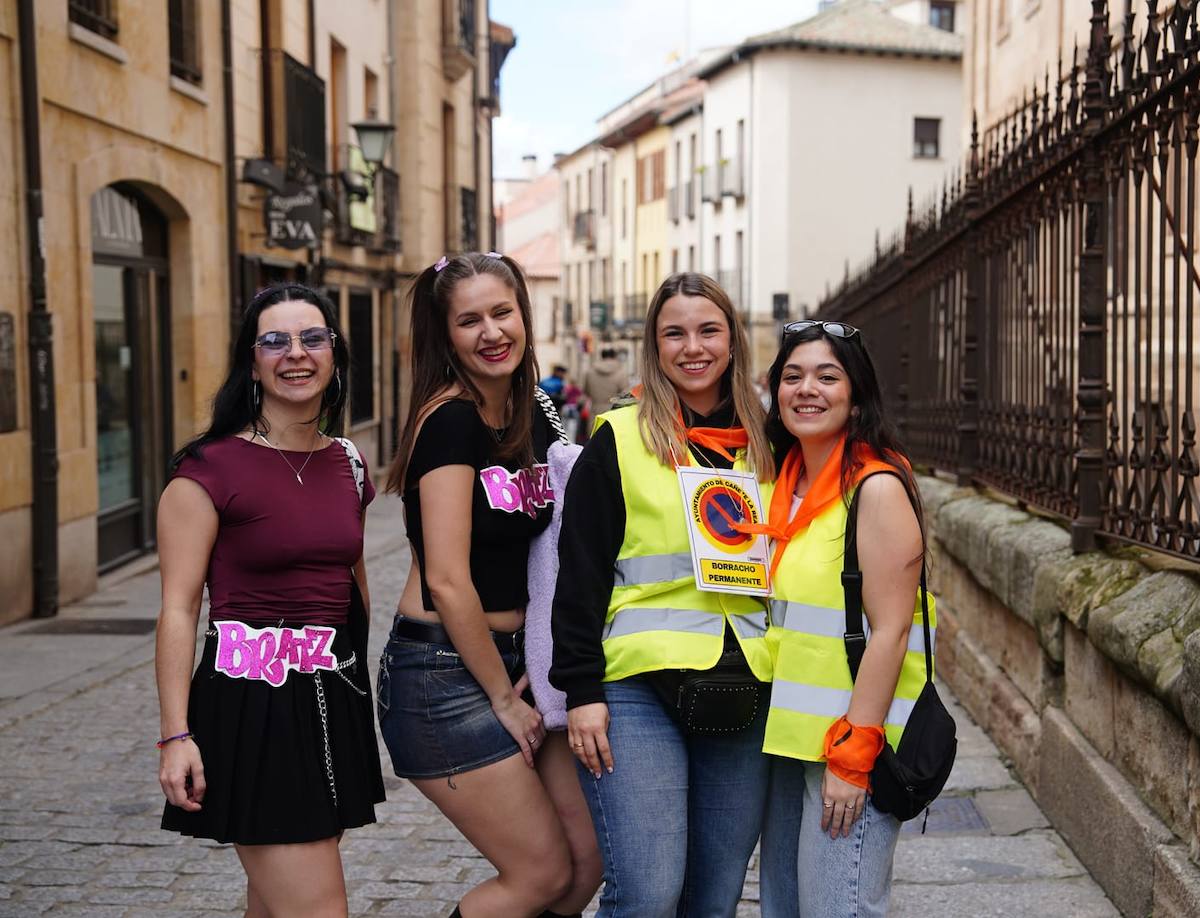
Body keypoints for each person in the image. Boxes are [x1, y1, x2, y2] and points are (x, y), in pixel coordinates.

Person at [378, 252, 600, 918]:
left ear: (524, 316)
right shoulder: (450, 423)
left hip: (516, 664)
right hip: (442, 674)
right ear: (447, 338)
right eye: (469, 321)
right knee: (539, 874)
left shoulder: (528, 411)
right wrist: (503, 700)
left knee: (587, 859)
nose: (491, 332)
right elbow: (447, 579)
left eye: (502, 313)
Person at [551, 272, 776, 917]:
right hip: (636, 688)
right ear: (655, 346)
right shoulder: (617, 439)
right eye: (674, 333)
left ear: (732, 340)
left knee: (714, 897)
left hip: (744, 684)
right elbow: (580, 575)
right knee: (647, 893)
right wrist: (582, 694)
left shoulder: (770, 443)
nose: (693, 347)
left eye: (708, 330)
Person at [156, 283, 385, 917]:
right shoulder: (207, 471)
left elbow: (350, 579)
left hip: (332, 698)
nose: (296, 353)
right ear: (251, 359)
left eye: (313, 337)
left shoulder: (348, 462)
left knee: (274, 904)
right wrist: (176, 734)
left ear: (335, 353)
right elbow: (178, 609)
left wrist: (361, 685)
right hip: (252, 706)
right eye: (275, 340)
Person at [755, 320, 929, 918]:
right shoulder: (785, 484)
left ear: (856, 396)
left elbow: (893, 629)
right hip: (789, 742)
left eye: (828, 377)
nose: (808, 389)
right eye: (793, 375)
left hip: (850, 744)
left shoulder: (875, 488)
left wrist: (854, 756)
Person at [583, 346, 629, 412]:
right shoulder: (621, 373)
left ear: (602, 356)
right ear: (614, 356)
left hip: (595, 411)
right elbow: (625, 394)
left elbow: (587, 392)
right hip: (613, 412)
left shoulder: (590, 372)